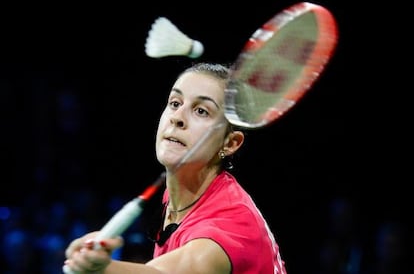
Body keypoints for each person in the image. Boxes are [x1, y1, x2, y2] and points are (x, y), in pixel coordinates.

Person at [63, 62, 287, 274]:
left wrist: (103, 269)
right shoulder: (183, 189)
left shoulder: (233, 225)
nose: (178, 118)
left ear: (230, 143)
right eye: (175, 103)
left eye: (202, 111)